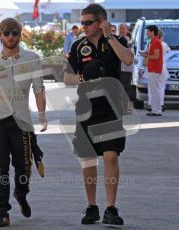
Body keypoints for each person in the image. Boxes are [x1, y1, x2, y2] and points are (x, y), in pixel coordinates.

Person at [0, 18, 47, 227]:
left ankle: (21, 194)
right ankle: (2, 210)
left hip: (22, 122)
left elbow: (39, 89)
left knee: (24, 167)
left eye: (14, 33)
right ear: (0, 35)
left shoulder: (32, 59)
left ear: (20, 34)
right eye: (6, 33)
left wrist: (42, 114)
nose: (10, 36)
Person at [64, 3, 133, 227]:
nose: (83, 26)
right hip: (85, 108)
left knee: (111, 156)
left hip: (111, 107)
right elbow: (66, 78)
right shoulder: (78, 45)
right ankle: (92, 206)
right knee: (88, 159)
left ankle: (111, 209)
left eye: (87, 22)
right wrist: (83, 78)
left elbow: (128, 60)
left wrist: (109, 36)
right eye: (82, 22)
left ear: (101, 22)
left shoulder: (115, 40)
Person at [141, 25, 164, 116]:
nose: (147, 33)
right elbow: (154, 54)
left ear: (152, 32)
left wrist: (146, 56)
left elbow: (156, 56)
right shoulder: (153, 42)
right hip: (153, 68)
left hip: (154, 69)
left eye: (148, 32)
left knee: (155, 90)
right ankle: (156, 110)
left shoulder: (156, 42)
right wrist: (146, 54)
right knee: (155, 90)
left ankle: (156, 110)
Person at [118, 23, 134, 112]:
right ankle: (120, 108)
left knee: (127, 88)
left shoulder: (129, 41)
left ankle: (125, 107)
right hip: (120, 68)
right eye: (120, 28)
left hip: (129, 68)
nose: (122, 30)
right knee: (120, 88)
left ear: (127, 30)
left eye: (123, 28)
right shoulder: (116, 41)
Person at [158, 30, 171, 111]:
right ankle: (161, 104)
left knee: (154, 88)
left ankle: (153, 104)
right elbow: (169, 50)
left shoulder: (152, 44)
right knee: (161, 87)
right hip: (162, 68)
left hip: (154, 68)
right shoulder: (164, 44)